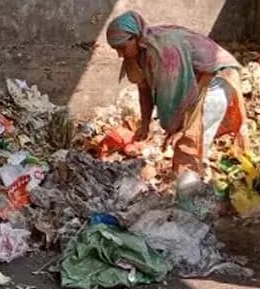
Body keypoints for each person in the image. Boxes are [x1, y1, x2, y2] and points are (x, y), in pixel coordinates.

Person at [106, 11, 247, 175]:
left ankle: (191, 188)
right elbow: (144, 90)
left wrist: (180, 129)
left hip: (215, 81)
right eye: (116, 50)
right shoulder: (142, 50)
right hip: (196, 85)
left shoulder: (164, 53)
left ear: (135, 37)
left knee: (188, 144)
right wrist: (145, 125)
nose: (120, 54)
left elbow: (178, 93)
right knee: (186, 140)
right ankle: (190, 181)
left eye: (122, 48)